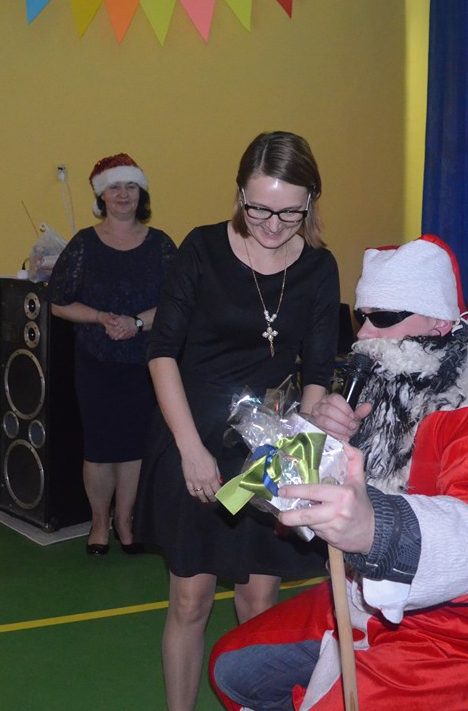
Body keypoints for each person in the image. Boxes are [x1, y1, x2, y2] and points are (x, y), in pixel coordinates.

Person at [208, 235, 468, 711]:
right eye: (362, 316)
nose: (365, 334)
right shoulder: (388, 380)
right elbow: (334, 499)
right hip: (367, 600)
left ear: (438, 321)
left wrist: (379, 529)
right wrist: (325, 442)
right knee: (231, 668)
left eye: (384, 318)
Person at [135, 132, 341, 710]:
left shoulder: (318, 267)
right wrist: (189, 450)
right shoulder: (201, 249)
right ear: (239, 195)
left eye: (289, 212)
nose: (273, 225)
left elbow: (317, 371)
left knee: (258, 601)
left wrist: (296, 459)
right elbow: (161, 352)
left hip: (267, 448)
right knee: (190, 601)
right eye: (258, 209)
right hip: (193, 436)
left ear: (310, 202)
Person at [47, 154, 177, 556]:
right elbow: (58, 303)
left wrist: (136, 323)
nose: (123, 195)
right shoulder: (83, 245)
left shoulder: (161, 245)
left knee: (135, 446)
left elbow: (177, 303)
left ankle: (126, 521)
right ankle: (99, 522)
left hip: (147, 363)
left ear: (141, 193)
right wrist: (101, 317)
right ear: (101, 196)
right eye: (115, 187)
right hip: (96, 362)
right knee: (101, 447)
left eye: (131, 187)